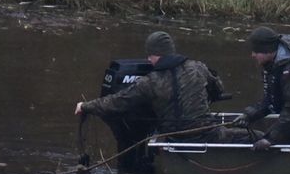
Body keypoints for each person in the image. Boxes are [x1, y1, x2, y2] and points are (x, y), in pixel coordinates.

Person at [74, 31, 225, 139]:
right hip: (206, 132)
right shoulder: (198, 67)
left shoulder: (150, 81)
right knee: (244, 134)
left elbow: (117, 101)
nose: (148, 59)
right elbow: (218, 90)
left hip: (173, 136)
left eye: (149, 55)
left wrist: (85, 106)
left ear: (156, 54)